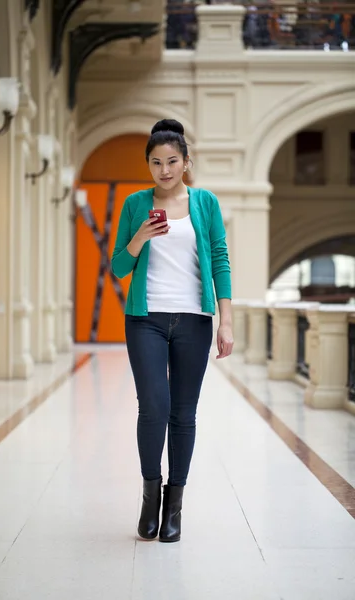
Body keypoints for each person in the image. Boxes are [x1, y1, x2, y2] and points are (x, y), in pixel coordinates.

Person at [111, 119, 233, 543]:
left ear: (186, 162)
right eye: (156, 162)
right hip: (145, 319)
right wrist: (139, 237)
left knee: (184, 414)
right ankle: (150, 498)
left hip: (194, 320)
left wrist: (225, 320)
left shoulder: (205, 203)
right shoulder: (134, 204)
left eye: (172, 162)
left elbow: (219, 259)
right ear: (148, 165)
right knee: (154, 409)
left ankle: (174, 505)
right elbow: (119, 268)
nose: (164, 170)